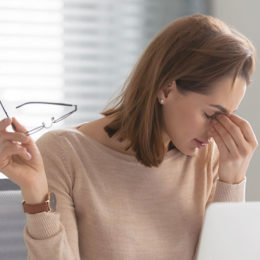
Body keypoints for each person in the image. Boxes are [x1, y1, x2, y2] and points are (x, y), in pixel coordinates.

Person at [0, 13, 258, 260]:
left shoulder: (207, 159)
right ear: (167, 88)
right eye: (212, 114)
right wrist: (36, 196)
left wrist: (231, 181)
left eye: (229, 116)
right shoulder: (65, 154)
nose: (217, 131)